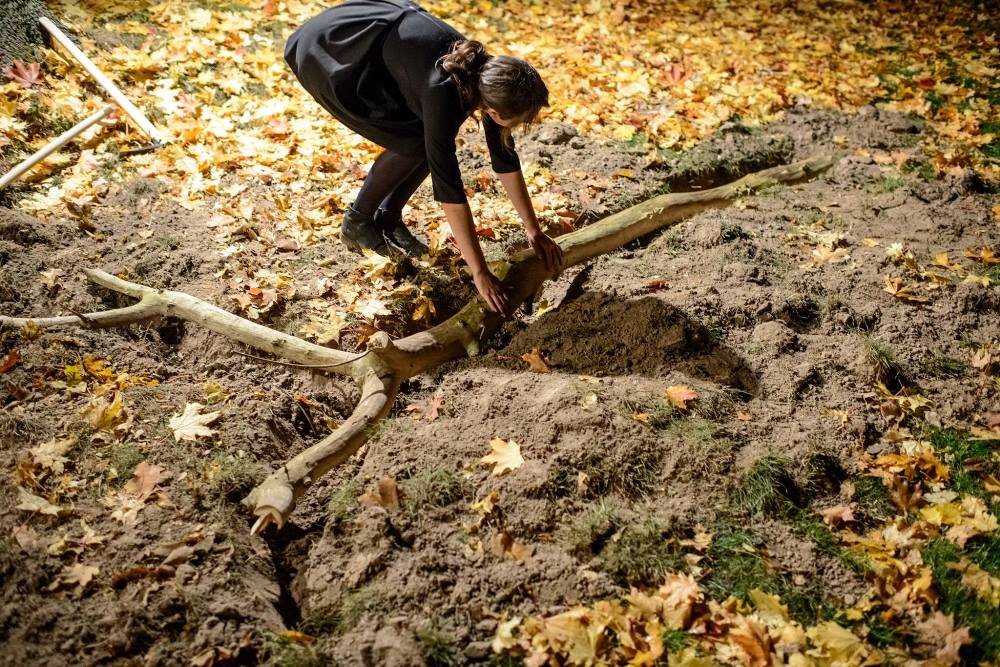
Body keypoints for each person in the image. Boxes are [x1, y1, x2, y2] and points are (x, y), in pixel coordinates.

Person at [284, 0, 564, 316]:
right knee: (418, 142)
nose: (514, 129)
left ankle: (388, 219)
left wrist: (534, 230)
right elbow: (450, 190)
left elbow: (504, 157)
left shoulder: (488, 77)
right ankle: (358, 221)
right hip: (334, 51)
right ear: (495, 111)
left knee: (421, 140)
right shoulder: (444, 93)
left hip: (376, 47)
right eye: (515, 122)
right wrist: (480, 272)